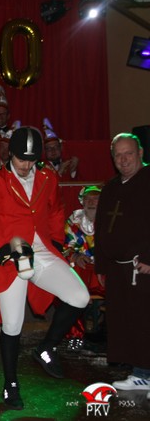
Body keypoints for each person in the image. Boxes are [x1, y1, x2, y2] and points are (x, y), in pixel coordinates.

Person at [0, 127, 89, 410]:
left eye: (32, 161)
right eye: (21, 160)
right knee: (12, 325)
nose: (26, 166)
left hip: (41, 251)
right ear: (10, 154)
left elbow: (56, 210)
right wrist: (7, 250)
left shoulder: (48, 176)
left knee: (80, 297)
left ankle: (47, 346)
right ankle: (10, 384)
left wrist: (56, 242)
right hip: (9, 254)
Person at [94, 133, 150, 394]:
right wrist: (102, 265)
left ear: (140, 153)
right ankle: (141, 374)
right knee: (128, 322)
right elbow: (101, 227)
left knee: (145, 320)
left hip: (143, 266)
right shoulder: (111, 188)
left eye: (129, 153)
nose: (123, 159)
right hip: (118, 267)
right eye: (118, 155)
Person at [63, 185, 105, 350]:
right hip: (82, 268)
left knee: (122, 294)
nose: (91, 202)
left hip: (105, 269)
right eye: (88, 199)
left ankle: (114, 336)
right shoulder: (74, 221)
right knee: (68, 293)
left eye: (95, 198)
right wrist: (75, 255)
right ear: (82, 201)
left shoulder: (111, 219)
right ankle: (75, 336)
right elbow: (66, 245)